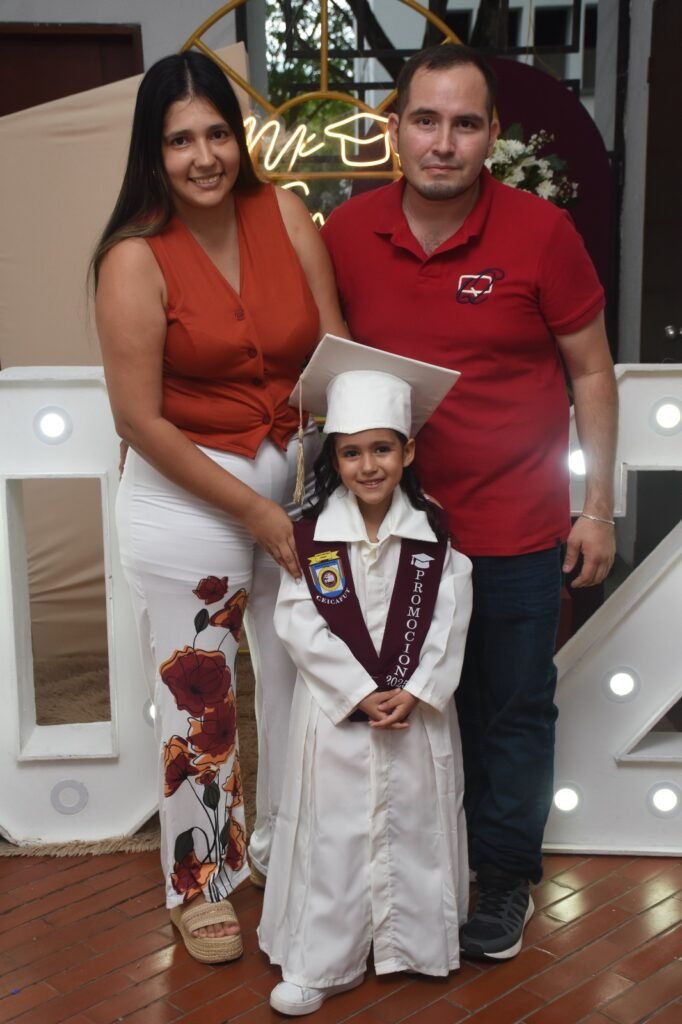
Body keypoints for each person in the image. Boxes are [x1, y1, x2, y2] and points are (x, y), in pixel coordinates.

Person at [321, 44, 618, 961]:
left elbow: (592, 371)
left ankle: (503, 881)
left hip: (519, 529)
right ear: (394, 129)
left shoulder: (541, 232)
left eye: (463, 124)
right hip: (397, 535)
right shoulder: (345, 233)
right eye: (425, 120)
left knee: (513, 709)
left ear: (492, 135)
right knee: (407, 713)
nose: (442, 143)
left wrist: (597, 506)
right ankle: (421, 875)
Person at [93, 51, 346, 963]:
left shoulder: (285, 213)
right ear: (152, 152)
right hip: (186, 498)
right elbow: (138, 419)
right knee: (201, 703)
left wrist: (333, 470)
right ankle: (199, 883)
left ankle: (280, 846)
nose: (204, 157)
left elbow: (334, 343)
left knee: (296, 677)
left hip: (294, 484)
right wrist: (254, 511)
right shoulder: (133, 256)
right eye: (180, 141)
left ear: (239, 139)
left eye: (217, 135)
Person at [258, 335, 473, 1015]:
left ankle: (414, 943)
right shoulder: (311, 539)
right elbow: (298, 622)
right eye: (351, 452)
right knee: (335, 831)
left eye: (382, 449)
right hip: (337, 713)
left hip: (413, 712)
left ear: (407, 452)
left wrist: (416, 689)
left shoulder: (434, 537)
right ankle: (324, 959)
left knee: (413, 822)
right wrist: (357, 692)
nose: (368, 465)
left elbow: (450, 619)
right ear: (335, 460)